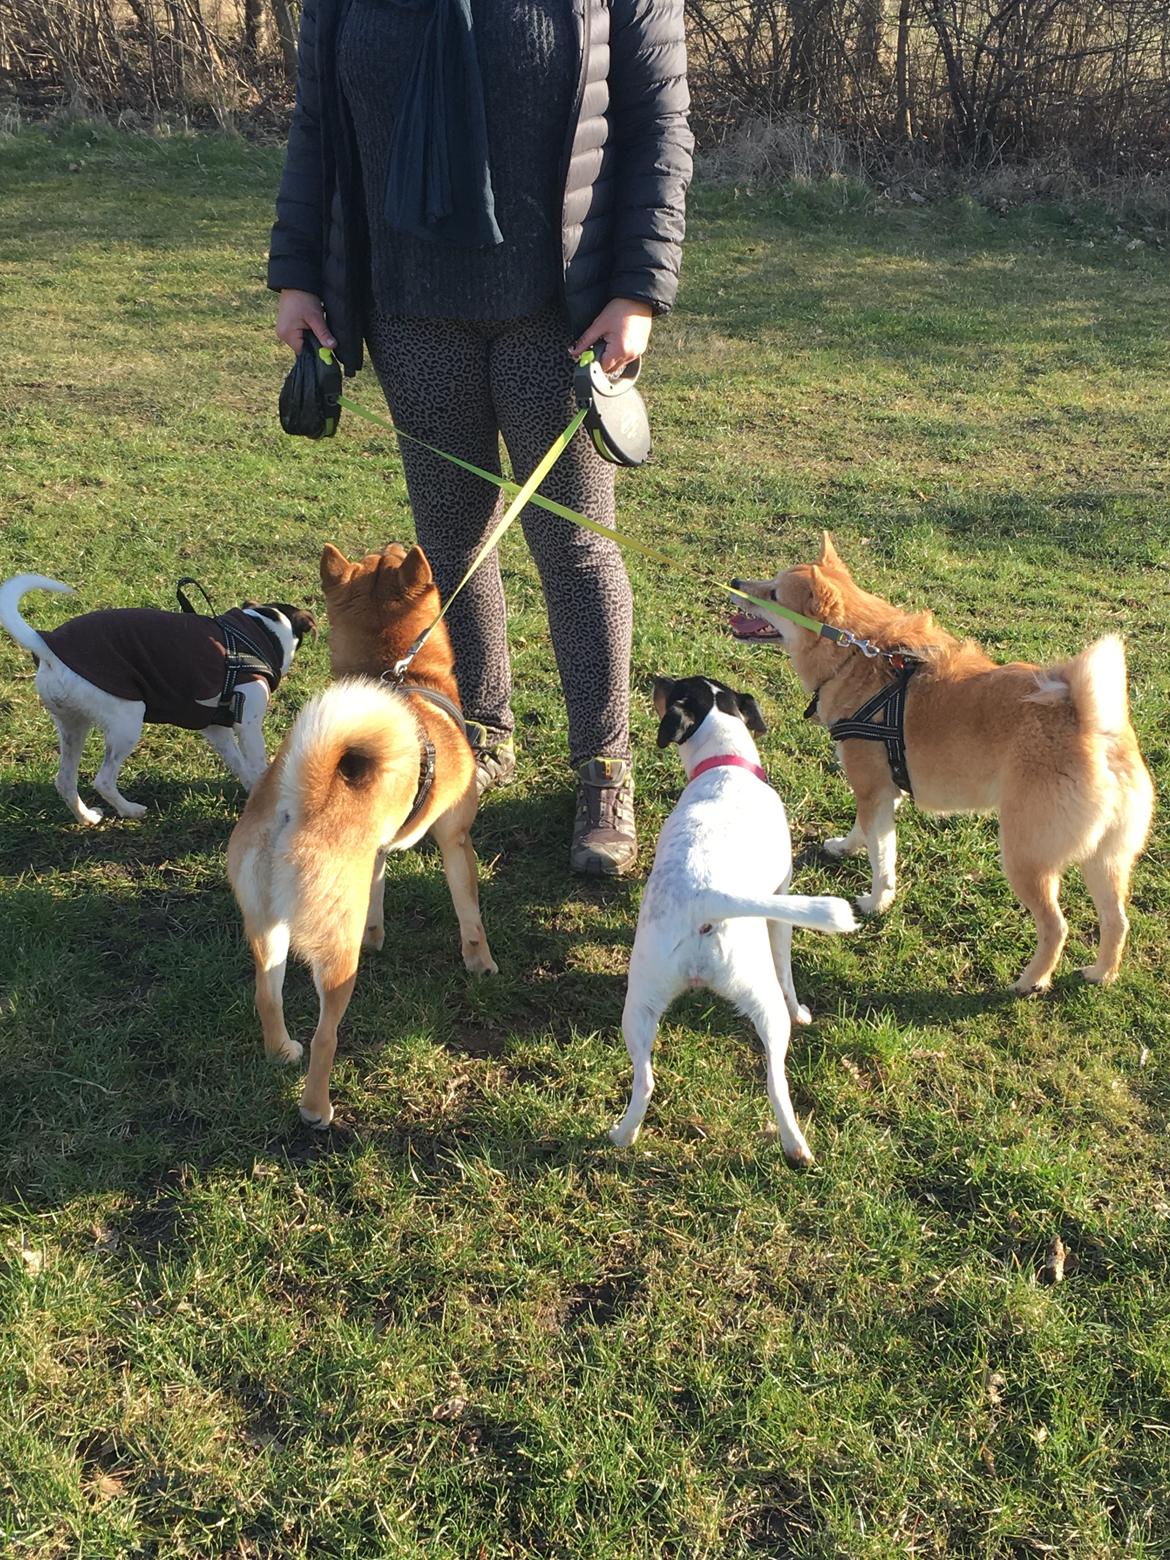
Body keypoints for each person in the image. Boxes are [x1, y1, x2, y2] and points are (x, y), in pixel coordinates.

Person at [268, 0, 693, 876]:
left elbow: (659, 126)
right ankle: (482, 734)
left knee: (574, 544)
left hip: (560, 313)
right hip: (408, 310)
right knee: (451, 542)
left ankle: (603, 770)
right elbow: (317, 128)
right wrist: (298, 274)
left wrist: (638, 291)